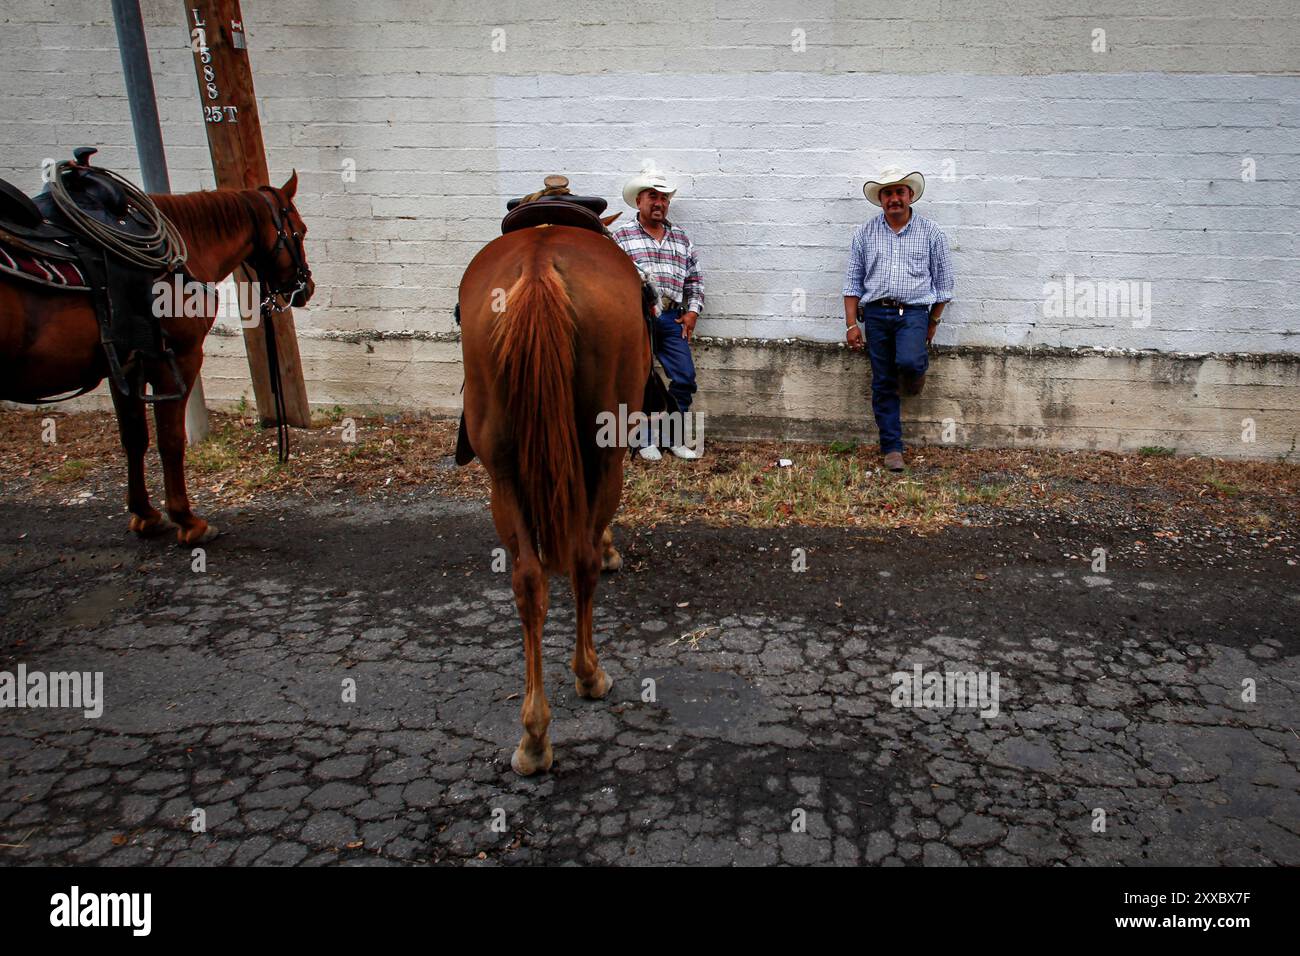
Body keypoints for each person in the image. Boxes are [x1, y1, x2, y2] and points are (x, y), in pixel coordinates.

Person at [842, 165, 954, 472]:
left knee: (909, 362)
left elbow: (944, 286)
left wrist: (933, 323)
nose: (894, 199)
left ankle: (916, 373)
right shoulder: (864, 233)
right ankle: (892, 447)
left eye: (899, 192)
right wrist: (852, 324)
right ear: (880, 199)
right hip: (876, 314)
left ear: (910, 195)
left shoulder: (932, 233)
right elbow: (852, 283)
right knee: (882, 381)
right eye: (888, 193)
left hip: (914, 313)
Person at [610, 163, 704, 460]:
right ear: (639, 201)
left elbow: (695, 279)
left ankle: (673, 438)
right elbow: (609, 279)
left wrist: (692, 313)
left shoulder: (681, 239)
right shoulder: (620, 237)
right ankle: (643, 440)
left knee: (684, 377)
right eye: (653, 196)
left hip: (671, 317)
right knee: (639, 380)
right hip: (637, 319)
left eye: (663, 197)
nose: (659, 203)